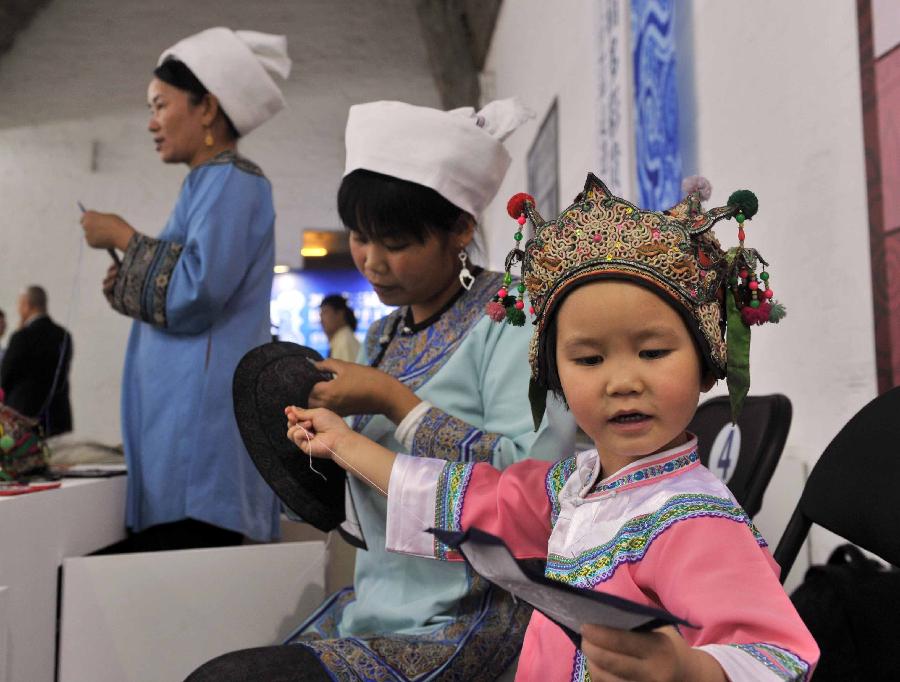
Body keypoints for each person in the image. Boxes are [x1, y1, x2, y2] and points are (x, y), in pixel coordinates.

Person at [283, 174, 819, 681]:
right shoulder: (573, 488)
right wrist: (344, 442)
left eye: (653, 352)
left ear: (706, 365)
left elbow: (777, 653)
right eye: (589, 360)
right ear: (554, 379)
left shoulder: (693, 519)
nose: (622, 381)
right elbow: (463, 495)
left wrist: (688, 670)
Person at [189, 100, 575, 680]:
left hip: (476, 616)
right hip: (378, 604)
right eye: (360, 238)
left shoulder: (513, 317)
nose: (371, 261)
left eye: (394, 242)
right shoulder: (385, 333)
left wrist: (395, 401)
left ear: (460, 230)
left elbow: (538, 485)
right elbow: (355, 489)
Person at [79, 27, 291, 551]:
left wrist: (124, 238)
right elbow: (185, 277)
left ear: (207, 108)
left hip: (201, 435)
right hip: (183, 429)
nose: (151, 123)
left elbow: (197, 292)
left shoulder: (235, 181)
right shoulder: (207, 181)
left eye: (160, 105)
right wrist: (129, 275)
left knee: (189, 565)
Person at [0, 286, 73, 436]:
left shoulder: (22, 337)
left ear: (27, 305)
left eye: (20, 305)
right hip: (57, 416)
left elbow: (5, 377)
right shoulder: (63, 335)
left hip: (23, 416)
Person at [318, 294, 360, 362]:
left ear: (340, 314)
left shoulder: (344, 341)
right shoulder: (340, 339)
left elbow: (347, 372)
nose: (321, 320)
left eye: (325, 312)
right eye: (320, 315)